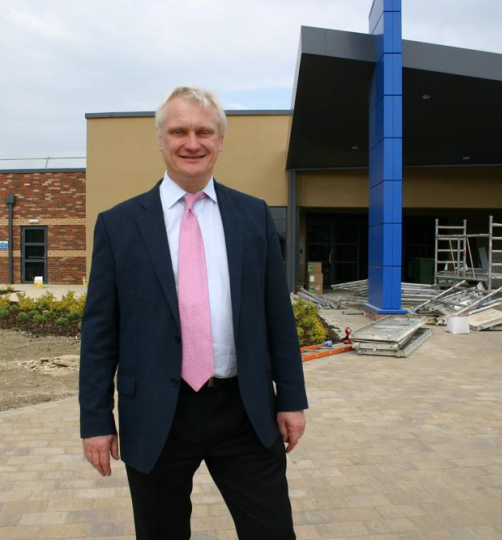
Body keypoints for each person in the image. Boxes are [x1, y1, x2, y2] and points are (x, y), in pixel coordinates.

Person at [79, 86, 308, 540]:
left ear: (220, 141)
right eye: (179, 131)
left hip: (245, 410)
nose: (192, 142)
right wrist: (96, 420)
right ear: (160, 140)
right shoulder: (119, 224)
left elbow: (277, 317)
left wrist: (292, 399)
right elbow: (100, 332)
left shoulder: (253, 216)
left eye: (204, 131)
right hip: (158, 414)